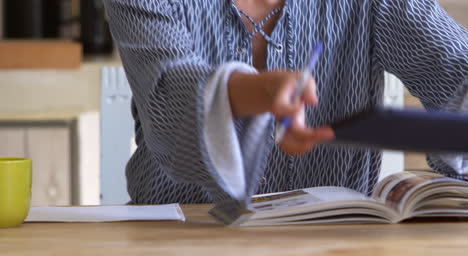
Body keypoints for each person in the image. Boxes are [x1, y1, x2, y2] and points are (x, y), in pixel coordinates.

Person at [103, 0, 468, 205]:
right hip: (175, 243)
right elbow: (167, 98)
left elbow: (458, 70)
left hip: (333, 247)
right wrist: (253, 92)